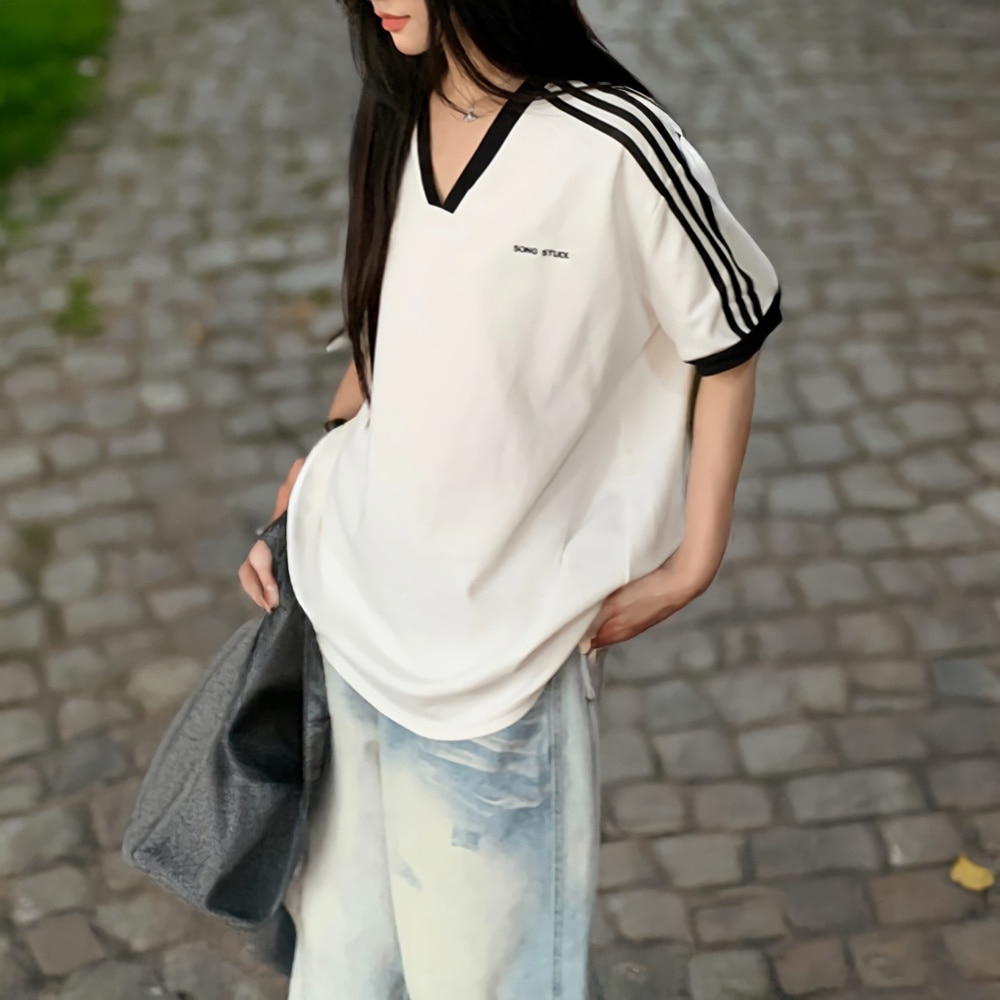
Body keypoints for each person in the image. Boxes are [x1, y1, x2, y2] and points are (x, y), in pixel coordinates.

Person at [238, 0, 782, 996]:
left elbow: (731, 338)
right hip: (350, 608)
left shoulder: (619, 144)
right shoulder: (400, 100)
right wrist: (320, 460)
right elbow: (391, 305)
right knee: (342, 969)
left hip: (497, 672)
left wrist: (695, 559)